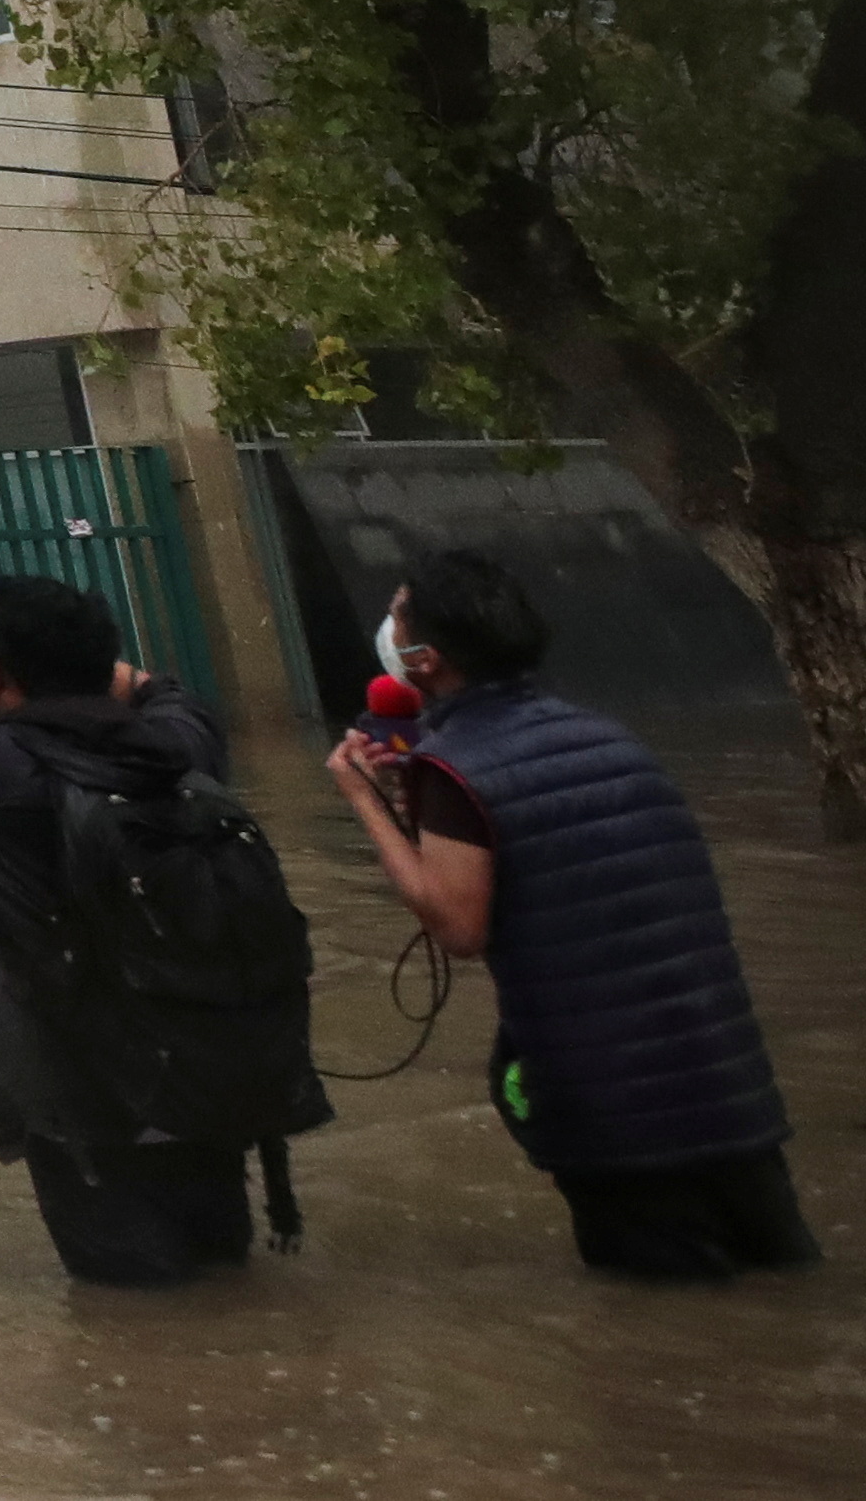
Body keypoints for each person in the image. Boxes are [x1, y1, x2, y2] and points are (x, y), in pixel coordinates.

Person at [0, 574, 330, 1286]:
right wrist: (65, 637)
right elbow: (169, 693)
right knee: (223, 1282)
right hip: (211, 1070)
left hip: (94, 1104)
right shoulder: (176, 747)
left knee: (131, 1313)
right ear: (104, 665)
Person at [329, 547, 819, 1282]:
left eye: (397, 617)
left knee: (660, 1341)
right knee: (780, 1300)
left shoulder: (456, 767)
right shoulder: (608, 738)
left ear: (424, 658)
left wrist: (367, 803)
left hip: (620, 1122)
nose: (388, 630)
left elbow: (459, 929)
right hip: (728, 1096)